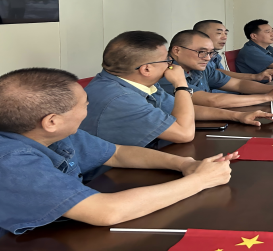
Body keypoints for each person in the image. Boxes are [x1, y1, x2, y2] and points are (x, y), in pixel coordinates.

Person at [0, 68, 236, 235]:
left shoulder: (53, 133)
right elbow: (105, 211)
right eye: (84, 104)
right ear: (52, 121)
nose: (88, 106)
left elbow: (118, 153)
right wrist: (200, 181)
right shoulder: (12, 160)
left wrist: (184, 164)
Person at [82, 31, 273, 148]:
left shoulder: (141, 83)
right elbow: (184, 133)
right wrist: (180, 84)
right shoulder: (120, 97)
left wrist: (237, 116)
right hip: (107, 178)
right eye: (166, 60)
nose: (170, 65)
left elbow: (187, 109)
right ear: (146, 69)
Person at [159, 30, 273, 109]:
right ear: (177, 50)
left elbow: (238, 84)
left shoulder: (201, 67)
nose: (208, 58)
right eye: (202, 52)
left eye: (211, 53)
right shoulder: (167, 73)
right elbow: (211, 101)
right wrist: (268, 97)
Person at [193, 20, 273, 85]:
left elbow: (227, 80)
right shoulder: (250, 50)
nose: (225, 37)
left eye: (226, 33)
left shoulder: (216, 56)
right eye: (219, 33)